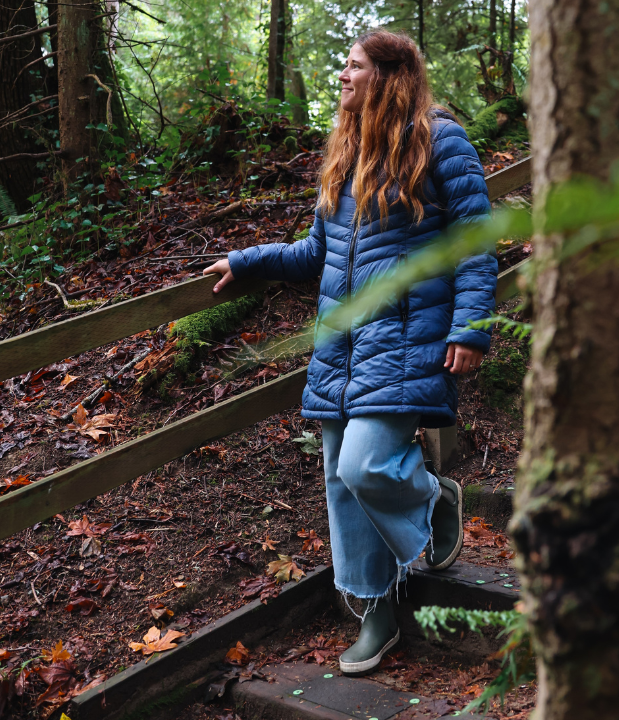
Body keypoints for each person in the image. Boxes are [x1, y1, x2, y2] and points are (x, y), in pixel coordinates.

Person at [202, 29, 497, 676]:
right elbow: (316, 253)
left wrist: (470, 327)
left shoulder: (440, 140)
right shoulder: (345, 151)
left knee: (366, 467)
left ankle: (433, 499)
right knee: (340, 481)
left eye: (355, 66)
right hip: (341, 344)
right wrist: (247, 261)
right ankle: (377, 612)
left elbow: (478, 242)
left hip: (406, 338)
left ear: (390, 75)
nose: (343, 75)